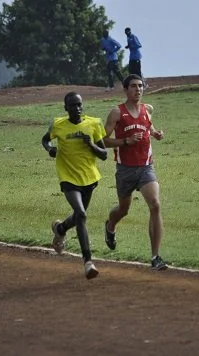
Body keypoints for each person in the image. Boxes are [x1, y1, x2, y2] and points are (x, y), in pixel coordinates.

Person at [102, 74, 167, 271]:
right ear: (126, 89)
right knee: (123, 210)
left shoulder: (147, 110)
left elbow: (148, 127)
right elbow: (103, 140)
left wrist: (155, 134)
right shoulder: (117, 113)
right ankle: (110, 226)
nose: (138, 89)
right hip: (125, 170)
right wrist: (125, 141)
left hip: (146, 167)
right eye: (133, 86)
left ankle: (155, 257)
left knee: (155, 204)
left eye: (141, 86)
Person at [41, 92, 108, 279]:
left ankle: (60, 229)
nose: (77, 108)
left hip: (89, 177)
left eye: (79, 105)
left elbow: (104, 154)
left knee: (79, 217)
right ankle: (88, 262)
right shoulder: (58, 125)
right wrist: (50, 149)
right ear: (66, 108)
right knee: (82, 214)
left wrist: (91, 145)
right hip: (68, 176)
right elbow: (45, 139)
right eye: (72, 106)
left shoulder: (93, 124)